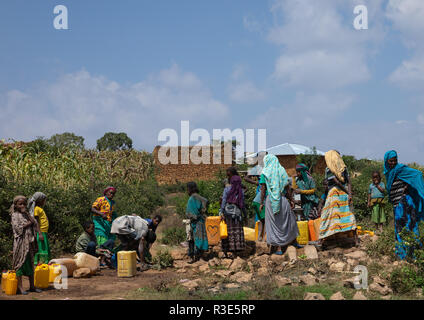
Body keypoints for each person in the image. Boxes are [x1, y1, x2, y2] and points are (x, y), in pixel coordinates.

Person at [384, 150, 424, 260]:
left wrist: (407, 186)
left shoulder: (400, 169)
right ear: (386, 161)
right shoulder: (388, 172)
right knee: (399, 228)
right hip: (397, 205)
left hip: (405, 202)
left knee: (409, 226)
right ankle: (402, 254)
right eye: (391, 161)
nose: (393, 163)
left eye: (395, 160)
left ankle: (414, 254)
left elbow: (417, 174)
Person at [258, 154, 299, 255]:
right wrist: (292, 200)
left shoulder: (265, 173)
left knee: (274, 224)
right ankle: (292, 242)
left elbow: (263, 189)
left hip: (271, 201)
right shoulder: (282, 171)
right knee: (288, 221)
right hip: (283, 199)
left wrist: (261, 202)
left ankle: (278, 248)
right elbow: (287, 188)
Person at [319, 150, 357, 248]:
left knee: (328, 217)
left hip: (335, 196)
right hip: (344, 195)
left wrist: (348, 193)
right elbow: (348, 182)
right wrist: (349, 194)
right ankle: (355, 240)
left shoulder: (329, 169)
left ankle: (324, 240)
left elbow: (337, 182)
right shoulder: (343, 168)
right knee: (349, 215)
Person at [10, 196, 42, 295]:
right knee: (20, 263)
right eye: (20, 204)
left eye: (24, 204)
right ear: (16, 205)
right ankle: (20, 288)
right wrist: (29, 223)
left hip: (29, 243)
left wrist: (27, 214)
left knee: (30, 263)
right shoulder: (15, 215)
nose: (23, 205)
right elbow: (17, 228)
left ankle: (32, 286)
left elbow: (35, 222)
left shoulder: (26, 214)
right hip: (20, 243)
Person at [220, 167, 246, 257]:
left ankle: (227, 251)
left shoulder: (227, 189)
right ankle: (236, 251)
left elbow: (223, 201)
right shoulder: (240, 191)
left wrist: (221, 212)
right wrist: (245, 215)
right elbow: (243, 205)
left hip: (228, 213)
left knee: (229, 231)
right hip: (237, 214)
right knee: (237, 231)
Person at [185, 182, 209, 263]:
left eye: (187, 189)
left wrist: (192, 216)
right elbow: (206, 201)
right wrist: (202, 212)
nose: (187, 191)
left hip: (194, 221)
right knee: (201, 238)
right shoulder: (200, 197)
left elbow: (189, 212)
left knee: (192, 239)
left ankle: (194, 257)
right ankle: (201, 256)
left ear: (190, 189)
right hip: (201, 220)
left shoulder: (192, 198)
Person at [28, 192, 51, 265]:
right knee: (42, 248)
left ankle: (44, 262)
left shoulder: (39, 208)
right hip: (41, 232)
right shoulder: (37, 209)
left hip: (44, 231)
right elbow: (36, 222)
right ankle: (41, 263)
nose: (45, 202)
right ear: (39, 200)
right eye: (44, 200)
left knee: (44, 246)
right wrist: (40, 233)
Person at [244, 168, 267, 241]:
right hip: (261, 194)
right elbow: (246, 178)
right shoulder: (258, 168)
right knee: (262, 218)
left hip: (265, 194)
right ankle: (260, 237)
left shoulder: (269, 168)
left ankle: (261, 237)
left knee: (264, 218)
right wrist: (256, 183)